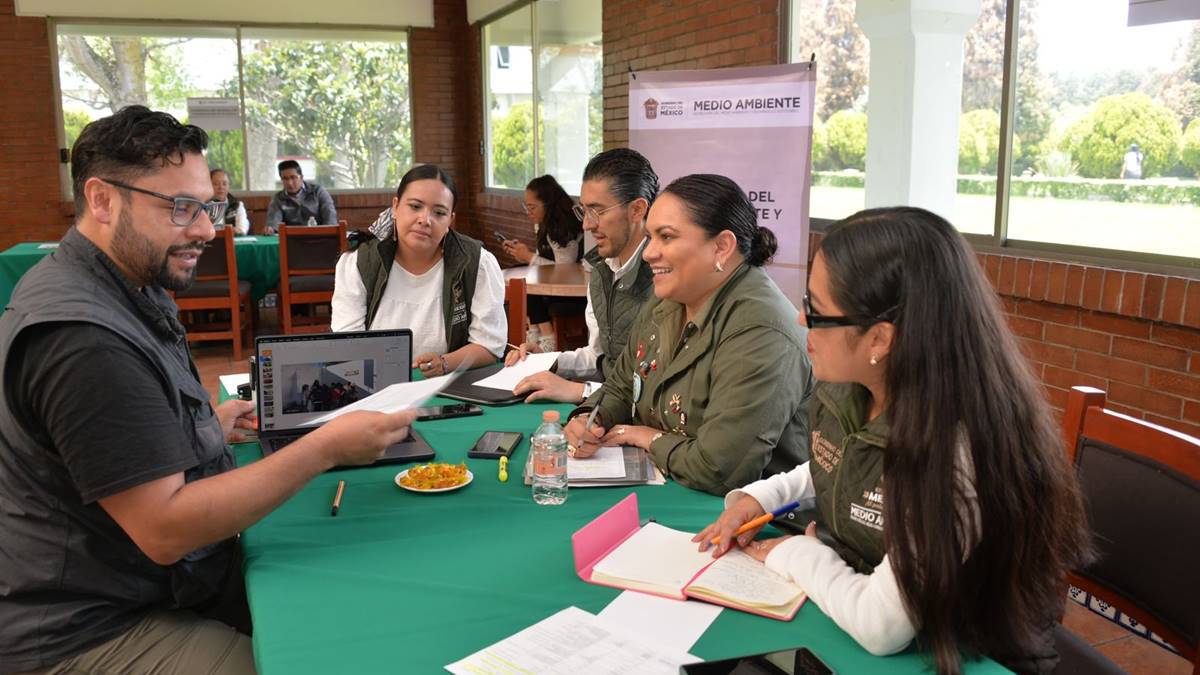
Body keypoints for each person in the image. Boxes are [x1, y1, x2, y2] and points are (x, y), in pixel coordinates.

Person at [0, 106, 415, 675]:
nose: (204, 229)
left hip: (128, 583)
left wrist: (199, 428)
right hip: (91, 624)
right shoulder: (83, 337)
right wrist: (326, 447)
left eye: (208, 208)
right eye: (180, 208)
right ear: (101, 200)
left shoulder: (118, 285)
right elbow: (166, 530)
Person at [695, 207, 1093, 674]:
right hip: (869, 606)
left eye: (819, 312)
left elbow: (880, 626)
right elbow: (830, 463)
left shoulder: (956, 453)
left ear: (880, 339)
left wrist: (793, 552)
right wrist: (760, 497)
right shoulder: (859, 388)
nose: (802, 319)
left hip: (960, 655)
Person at [563, 174, 815, 495]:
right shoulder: (667, 300)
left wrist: (648, 437)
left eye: (666, 237)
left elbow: (719, 469)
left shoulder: (761, 332)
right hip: (671, 486)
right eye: (650, 237)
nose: (648, 253)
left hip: (748, 521)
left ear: (721, 247)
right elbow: (622, 385)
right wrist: (591, 419)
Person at [505, 148, 659, 404]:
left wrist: (580, 391)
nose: (586, 224)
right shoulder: (599, 271)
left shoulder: (666, 279)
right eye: (584, 211)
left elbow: (656, 386)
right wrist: (548, 361)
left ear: (637, 210)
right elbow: (599, 358)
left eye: (597, 211)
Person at [331, 164, 506, 377]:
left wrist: (444, 363)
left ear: (450, 220)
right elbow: (347, 344)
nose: (425, 219)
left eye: (439, 212)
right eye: (415, 206)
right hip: (376, 385)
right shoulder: (359, 261)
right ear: (395, 207)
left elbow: (489, 345)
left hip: (450, 386)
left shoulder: (477, 263)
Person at [501, 174, 585, 351]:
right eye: (526, 207)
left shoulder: (562, 226)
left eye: (532, 207)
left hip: (569, 286)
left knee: (529, 279)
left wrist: (529, 257)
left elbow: (565, 266)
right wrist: (524, 255)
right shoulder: (543, 223)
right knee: (520, 274)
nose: (528, 212)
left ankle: (546, 335)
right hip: (554, 279)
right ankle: (533, 328)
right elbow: (543, 259)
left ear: (548, 204)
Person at [263, 159, 338, 234]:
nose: (290, 183)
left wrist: (327, 233)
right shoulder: (278, 198)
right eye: (285, 179)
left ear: (301, 177)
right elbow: (273, 221)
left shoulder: (318, 192)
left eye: (293, 177)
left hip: (319, 237)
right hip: (291, 240)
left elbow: (330, 217)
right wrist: (271, 229)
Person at [210, 168, 249, 235]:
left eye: (224, 184)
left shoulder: (236, 205)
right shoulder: (203, 206)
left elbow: (241, 229)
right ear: (208, 185)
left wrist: (222, 231)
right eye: (216, 184)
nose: (221, 187)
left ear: (229, 186)